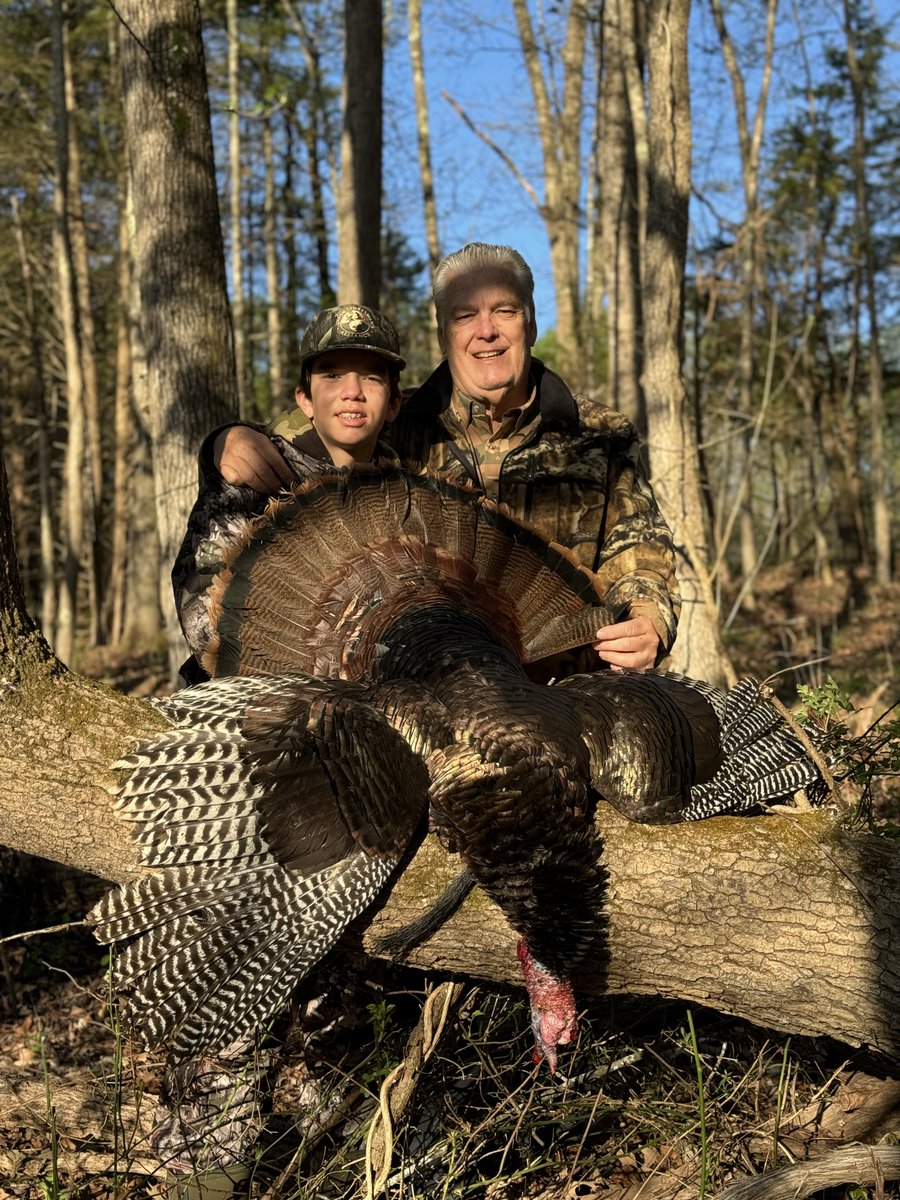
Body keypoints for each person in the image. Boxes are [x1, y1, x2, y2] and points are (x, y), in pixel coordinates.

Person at [194, 243, 680, 676]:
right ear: (444, 333)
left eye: (504, 311)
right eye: (465, 316)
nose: (486, 331)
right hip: (425, 695)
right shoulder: (396, 420)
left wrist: (647, 618)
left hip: (564, 691)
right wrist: (226, 440)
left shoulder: (599, 435)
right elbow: (309, 430)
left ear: (530, 321)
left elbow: (640, 553)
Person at [173, 303, 404, 678]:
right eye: (331, 375)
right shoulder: (255, 472)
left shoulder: (407, 495)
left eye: (372, 378)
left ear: (394, 403)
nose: (352, 392)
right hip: (254, 699)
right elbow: (203, 614)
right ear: (305, 400)